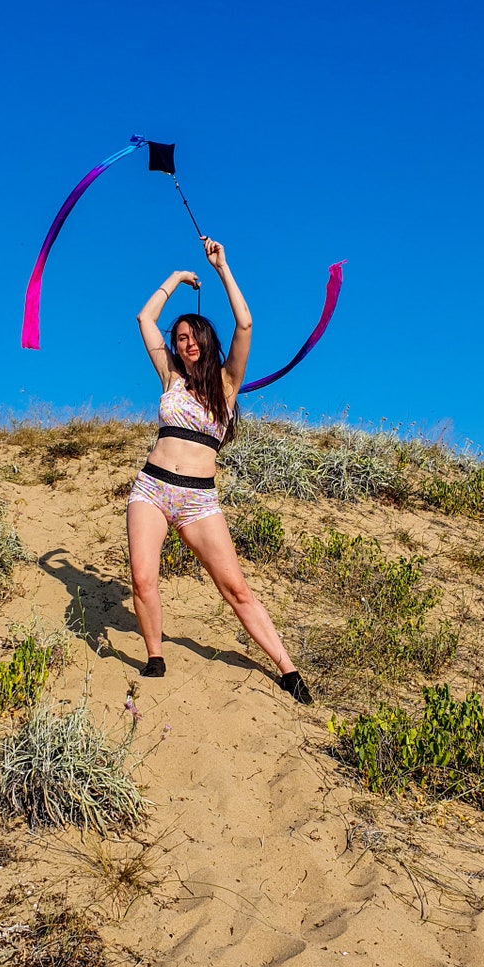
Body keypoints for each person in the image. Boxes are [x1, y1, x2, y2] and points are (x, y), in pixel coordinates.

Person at [126, 237, 312, 704]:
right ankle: (155, 656)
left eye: (191, 337)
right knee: (143, 578)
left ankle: (287, 669)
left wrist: (221, 268)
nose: (184, 343)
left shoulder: (227, 383)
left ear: (205, 341)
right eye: (179, 338)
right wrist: (175, 278)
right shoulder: (170, 376)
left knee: (235, 588)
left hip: (198, 499)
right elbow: (144, 319)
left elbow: (245, 323)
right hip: (151, 488)